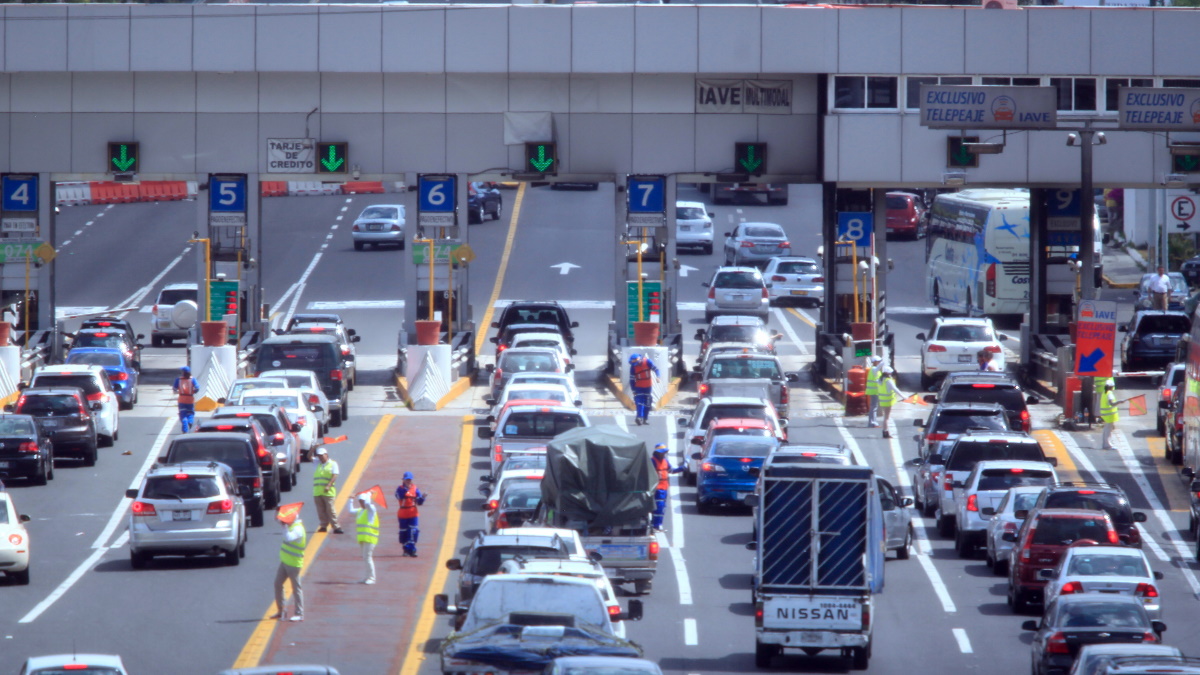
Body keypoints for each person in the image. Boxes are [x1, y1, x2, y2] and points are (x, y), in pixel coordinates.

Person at [272, 512, 306, 622]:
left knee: (296, 588)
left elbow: (288, 537)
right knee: (277, 584)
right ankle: (281, 611)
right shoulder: (292, 525)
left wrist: (283, 526)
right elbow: (277, 520)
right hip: (285, 562)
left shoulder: (298, 529)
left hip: (294, 564)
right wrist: (278, 514)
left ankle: (299, 613)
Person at [650, 443, 682, 533]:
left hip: (664, 487)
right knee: (658, 507)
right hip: (656, 488)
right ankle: (655, 525)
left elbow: (671, 470)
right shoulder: (652, 461)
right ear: (656, 453)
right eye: (661, 452)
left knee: (663, 507)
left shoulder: (665, 461)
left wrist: (682, 468)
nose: (663, 454)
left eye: (664, 452)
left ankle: (658, 525)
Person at [349, 492, 378, 584]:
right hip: (362, 538)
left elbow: (368, 504)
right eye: (360, 501)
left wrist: (369, 495)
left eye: (362, 501)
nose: (361, 503)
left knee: (368, 557)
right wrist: (351, 499)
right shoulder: (360, 511)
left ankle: (372, 578)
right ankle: (367, 577)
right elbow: (350, 510)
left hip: (370, 538)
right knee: (365, 558)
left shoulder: (371, 509)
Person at [312, 448, 343, 534]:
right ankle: (323, 526)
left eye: (322, 456)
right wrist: (313, 448)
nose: (321, 458)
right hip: (317, 491)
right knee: (320, 510)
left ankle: (336, 526)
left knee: (330, 510)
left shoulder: (333, 463)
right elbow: (308, 457)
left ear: (326, 455)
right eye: (319, 456)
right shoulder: (317, 463)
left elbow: (335, 475)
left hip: (328, 492)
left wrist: (328, 485)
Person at [395, 472, 426, 557]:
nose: (408, 481)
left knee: (413, 531)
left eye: (409, 479)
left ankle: (412, 549)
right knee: (403, 532)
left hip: (413, 513)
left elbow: (419, 502)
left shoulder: (415, 489)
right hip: (403, 514)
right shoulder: (400, 489)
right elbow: (399, 496)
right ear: (403, 480)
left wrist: (423, 497)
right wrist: (407, 490)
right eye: (407, 479)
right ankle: (405, 549)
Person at [628, 353, 660, 426]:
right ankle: (639, 417)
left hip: (648, 387)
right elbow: (632, 380)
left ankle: (645, 418)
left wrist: (658, 377)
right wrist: (633, 390)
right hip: (638, 387)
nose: (635, 364)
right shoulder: (633, 367)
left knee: (647, 403)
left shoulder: (648, 362)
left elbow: (656, 369)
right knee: (639, 402)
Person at [877, 366, 905, 439]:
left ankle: (885, 431)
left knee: (885, 417)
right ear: (888, 373)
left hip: (882, 400)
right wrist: (904, 396)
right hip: (888, 401)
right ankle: (885, 432)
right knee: (886, 417)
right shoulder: (888, 380)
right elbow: (895, 389)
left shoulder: (880, 380)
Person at [172, 366, 200, 433]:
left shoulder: (178, 380)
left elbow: (174, 388)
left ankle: (185, 429)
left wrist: (178, 391)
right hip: (190, 399)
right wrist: (194, 391)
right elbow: (197, 388)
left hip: (181, 399)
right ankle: (190, 422)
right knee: (190, 412)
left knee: (183, 414)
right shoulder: (192, 379)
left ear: (183, 373)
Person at [1100, 379, 1119, 450]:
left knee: (1106, 430)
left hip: (1105, 414)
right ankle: (1107, 445)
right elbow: (1112, 403)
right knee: (1108, 430)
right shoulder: (1109, 393)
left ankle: (1105, 444)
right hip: (1109, 415)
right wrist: (1119, 402)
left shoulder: (1104, 393)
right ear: (1111, 387)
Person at [865, 355, 883, 428]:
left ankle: (872, 422)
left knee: (873, 407)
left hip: (874, 391)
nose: (879, 362)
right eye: (878, 361)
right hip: (874, 391)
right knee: (874, 407)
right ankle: (873, 422)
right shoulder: (874, 369)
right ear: (875, 362)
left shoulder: (874, 370)